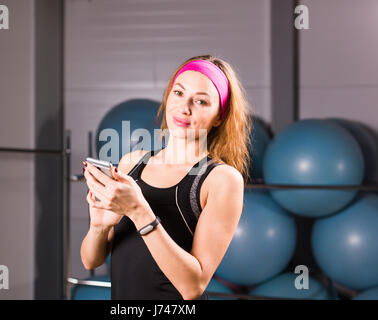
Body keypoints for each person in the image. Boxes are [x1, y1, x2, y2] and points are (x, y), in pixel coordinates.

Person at [80, 54, 252, 300]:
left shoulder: (221, 179)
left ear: (219, 116)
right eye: (179, 93)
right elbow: (90, 260)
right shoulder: (132, 162)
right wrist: (99, 226)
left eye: (201, 101)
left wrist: (140, 212)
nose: (184, 108)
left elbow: (193, 287)